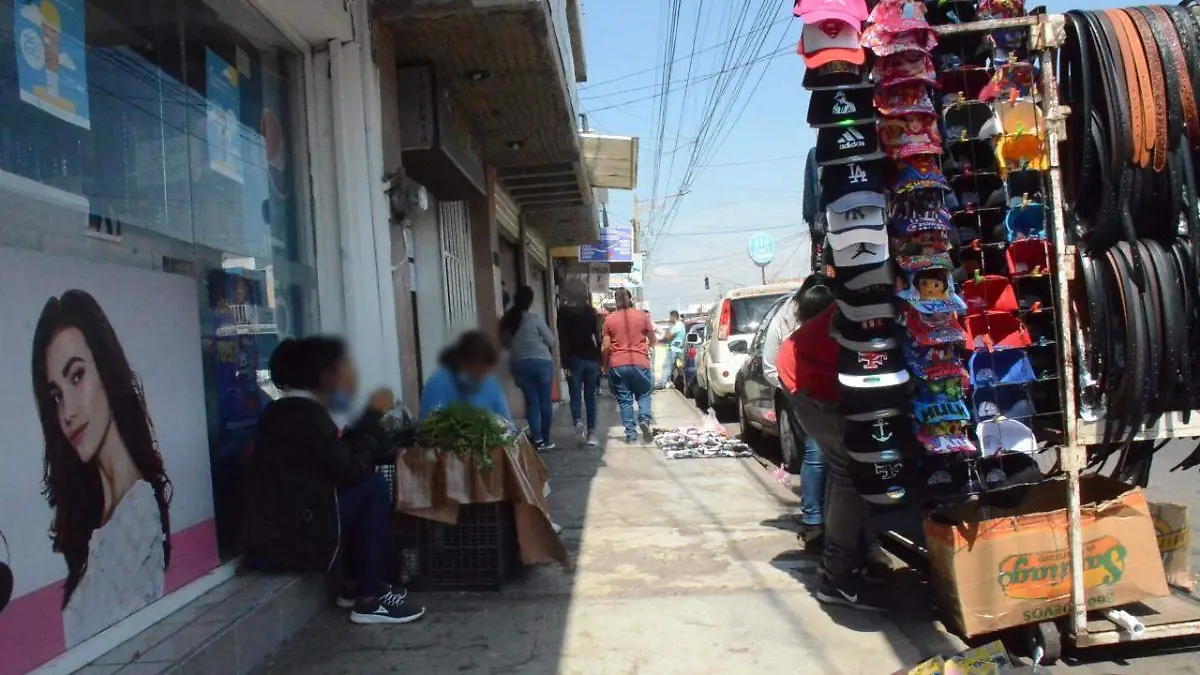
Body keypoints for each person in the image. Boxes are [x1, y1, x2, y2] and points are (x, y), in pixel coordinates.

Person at [245, 337, 425, 625]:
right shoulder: (304, 417)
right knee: (374, 488)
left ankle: (357, 584)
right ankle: (368, 600)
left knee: (365, 488)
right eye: (342, 367)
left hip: (286, 527)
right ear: (324, 375)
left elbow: (336, 460)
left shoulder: (290, 412)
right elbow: (352, 469)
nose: (348, 374)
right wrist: (373, 418)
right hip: (289, 539)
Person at [32, 290, 173, 646]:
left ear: (107, 371)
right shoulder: (97, 515)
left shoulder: (138, 513)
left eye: (76, 376)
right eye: (56, 396)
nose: (68, 412)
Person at [777, 281, 890, 612]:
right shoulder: (877, 310)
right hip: (805, 376)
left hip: (820, 374)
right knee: (849, 470)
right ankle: (837, 577)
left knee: (846, 468)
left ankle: (843, 558)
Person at [764, 275, 832, 545]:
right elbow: (773, 367)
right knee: (816, 450)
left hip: (835, 390)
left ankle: (834, 518)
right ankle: (814, 521)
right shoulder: (787, 321)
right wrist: (794, 391)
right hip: (802, 392)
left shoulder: (837, 314)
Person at [500, 286, 558, 450]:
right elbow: (551, 341)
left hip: (519, 364)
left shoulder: (507, 321)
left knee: (532, 402)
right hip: (542, 363)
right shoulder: (534, 319)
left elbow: (504, 343)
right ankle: (546, 439)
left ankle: (537, 440)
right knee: (545, 401)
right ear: (530, 302)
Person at [419, 331, 512, 424]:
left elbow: (506, 421)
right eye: (477, 374)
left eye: (485, 373)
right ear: (462, 362)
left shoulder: (490, 384)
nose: (481, 379)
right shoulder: (439, 384)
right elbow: (431, 424)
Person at [602, 288, 656, 443]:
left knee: (625, 400)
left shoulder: (609, 320)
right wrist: (645, 347)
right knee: (644, 394)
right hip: (640, 362)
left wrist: (604, 365)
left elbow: (605, 347)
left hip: (618, 365)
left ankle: (631, 435)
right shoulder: (642, 316)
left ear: (616, 301)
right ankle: (644, 420)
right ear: (630, 299)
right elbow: (653, 339)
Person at [556, 279, 601, 446]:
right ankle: (592, 434)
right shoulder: (592, 312)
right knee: (590, 397)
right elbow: (598, 337)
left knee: (575, 394)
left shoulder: (563, 313)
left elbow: (563, 339)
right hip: (590, 358)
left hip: (574, 359)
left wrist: (564, 362)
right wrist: (599, 360)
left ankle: (578, 421)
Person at [656, 310, 687, 389]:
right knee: (677, 369)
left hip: (674, 350)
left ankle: (662, 383)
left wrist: (659, 340)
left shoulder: (677, 326)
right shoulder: (681, 325)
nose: (669, 319)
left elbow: (668, 336)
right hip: (679, 350)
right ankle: (674, 383)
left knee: (666, 366)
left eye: (670, 317)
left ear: (673, 317)